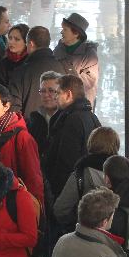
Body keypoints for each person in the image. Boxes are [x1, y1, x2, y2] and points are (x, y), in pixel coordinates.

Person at [0, 84, 44, 204]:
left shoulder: (22, 137)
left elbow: (33, 179)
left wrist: (37, 210)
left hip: (12, 202)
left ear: (6, 106)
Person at [43, 74, 101, 205]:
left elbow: (66, 160)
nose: (54, 96)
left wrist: (56, 192)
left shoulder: (71, 120)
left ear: (68, 94)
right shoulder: (91, 117)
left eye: (57, 93)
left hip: (69, 191)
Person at [53, 126, 121, 227]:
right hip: (116, 235)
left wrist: (75, 223)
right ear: (116, 145)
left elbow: (60, 209)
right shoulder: (125, 173)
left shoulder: (80, 175)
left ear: (91, 143)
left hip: (85, 232)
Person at [9, 27, 64, 116]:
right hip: (58, 127)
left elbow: (14, 110)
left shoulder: (20, 72)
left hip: (29, 127)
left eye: (26, 43)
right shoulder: (64, 67)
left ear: (31, 44)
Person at [53, 13, 99, 106]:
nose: (61, 32)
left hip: (80, 106)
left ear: (76, 33)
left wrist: (66, 69)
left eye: (65, 29)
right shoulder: (58, 49)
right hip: (59, 103)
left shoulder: (89, 54)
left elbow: (89, 82)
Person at [25, 70, 63, 156]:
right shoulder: (33, 120)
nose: (46, 95)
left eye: (51, 91)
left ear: (61, 92)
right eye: (43, 91)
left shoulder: (68, 120)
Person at [0, 23, 29, 88]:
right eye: (10, 38)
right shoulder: (3, 63)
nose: (11, 42)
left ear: (26, 42)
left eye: (17, 39)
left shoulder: (31, 62)